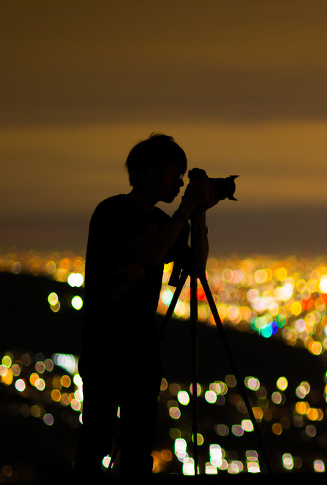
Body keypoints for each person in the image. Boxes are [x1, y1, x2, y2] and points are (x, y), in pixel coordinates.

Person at [73, 133, 216, 483]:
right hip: (105, 343)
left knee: (138, 445)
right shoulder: (112, 212)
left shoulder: (169, 221)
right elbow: (152, 253)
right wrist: (183, 212)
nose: (180, 183)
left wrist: (198, 218)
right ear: (150, 173)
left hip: (143, 348)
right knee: (98, 437)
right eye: (173, 174)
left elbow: (196, 264)